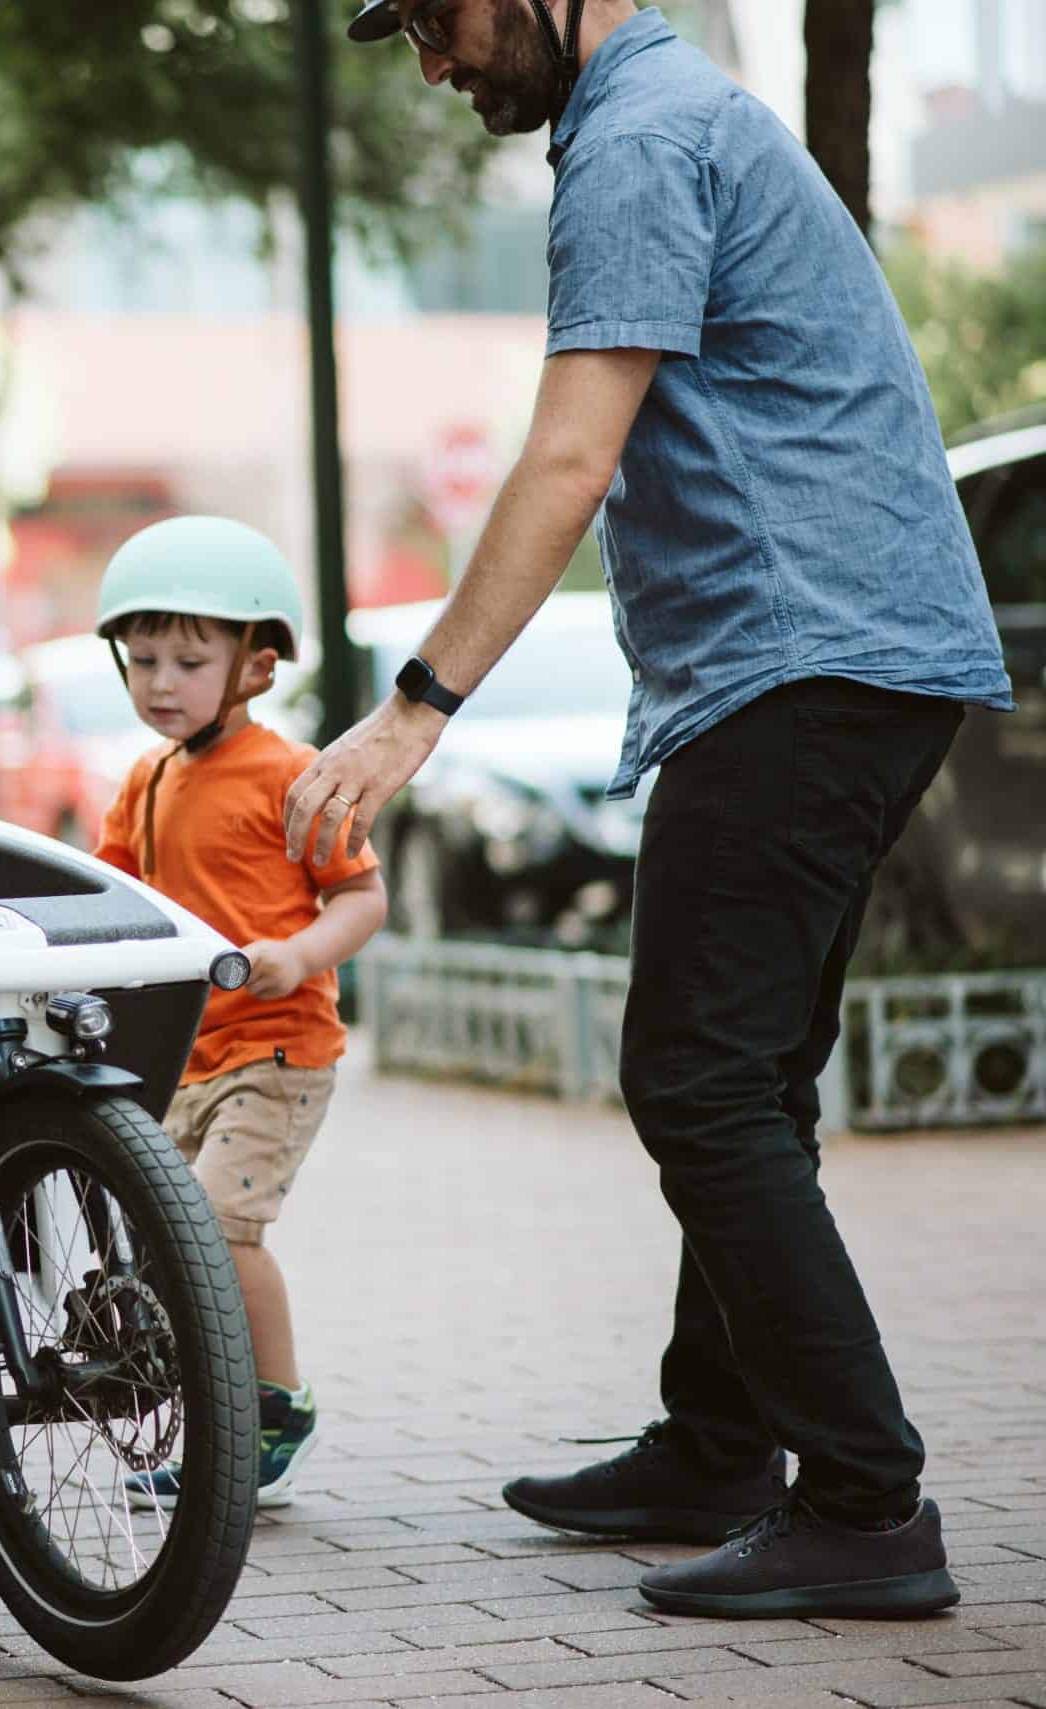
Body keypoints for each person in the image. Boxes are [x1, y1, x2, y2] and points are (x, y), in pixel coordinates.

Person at [303, 0, 1012, 1619]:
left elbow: (567, 456)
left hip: (806, 654)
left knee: (695, 1074)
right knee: (744, 1070)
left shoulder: (636, 136)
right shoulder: (669, 117)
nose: (431, 60)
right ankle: (717, 1437)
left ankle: (867, 1498)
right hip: (847, 652)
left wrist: (416, 707)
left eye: (438, 15)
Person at [84, 517, 389, 1514]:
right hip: (186, 1056)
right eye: (141, 661)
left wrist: (297, 954)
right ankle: (213, 1410)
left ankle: (270, 1407)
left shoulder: (290, 775)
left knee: (217, 1229)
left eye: (187, 660)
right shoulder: (148, 778)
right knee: (168, 1231)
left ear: (255, 667)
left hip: (277, 1050)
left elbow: (362, 897)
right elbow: (111, 892)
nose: (159, 681)